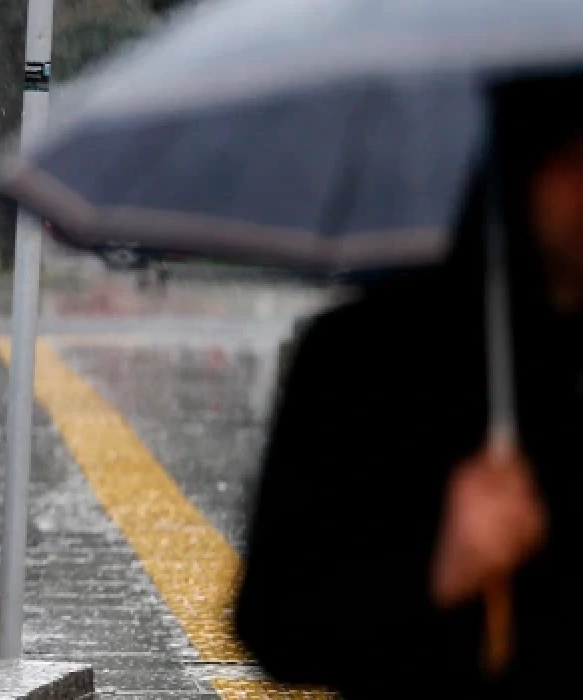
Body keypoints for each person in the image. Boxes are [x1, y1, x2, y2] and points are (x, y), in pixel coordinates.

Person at [234, 75, 583, 698]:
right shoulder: (359, 356)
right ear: (517, 161)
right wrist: (437, 572)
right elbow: (274, 623)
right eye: (571, 159)